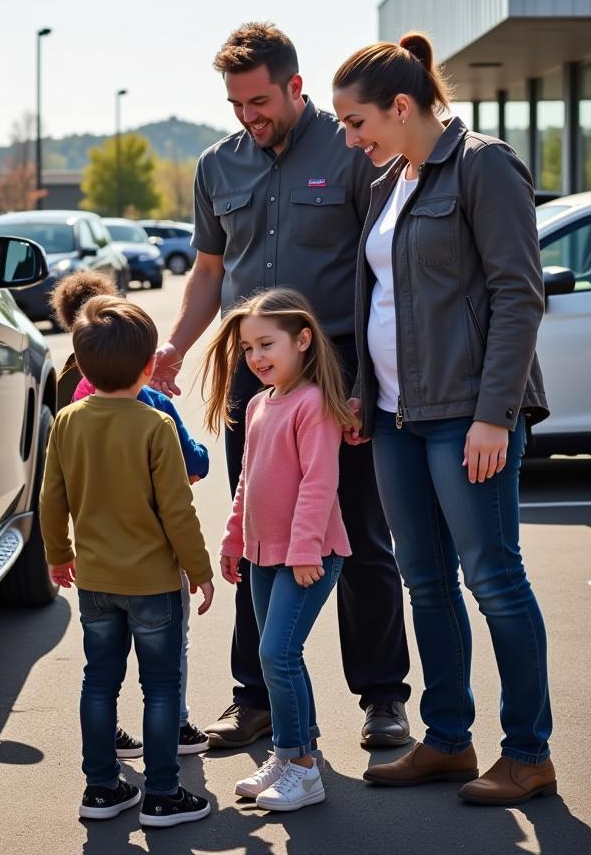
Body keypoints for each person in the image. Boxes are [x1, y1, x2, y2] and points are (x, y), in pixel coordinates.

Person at [152, 22, 411, 749]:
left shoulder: (351, 150)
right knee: (261, 533)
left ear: (296, 86)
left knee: (359, 534)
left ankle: (383, 696)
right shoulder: (217, 166)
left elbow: (378, 268)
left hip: (334, 369)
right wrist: (175, 347)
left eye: (260, 101)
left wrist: (364, 379)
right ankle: (256, 697)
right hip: (252, 375)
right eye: (237, 104)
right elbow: (208, 273)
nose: (249, 116)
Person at [331, 32, 555, 805]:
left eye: (358, 123)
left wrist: (496, 415)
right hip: (396, 415)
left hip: (468, 415)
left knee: (493, 579)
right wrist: (363, 389)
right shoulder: (392, 181)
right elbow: (381, 299)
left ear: (402, 106)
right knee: (425, 582)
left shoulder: (483, 165)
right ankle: (450, 740)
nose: (351, 139)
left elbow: (518, 295)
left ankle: (528, 753)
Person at [40, 295, 215, 828]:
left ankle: (100, 789)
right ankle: (163, 794)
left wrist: (58, 556)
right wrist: (202, 572)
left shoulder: (67, 422)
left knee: (99, 682)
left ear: (82, 366)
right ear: (147, 367)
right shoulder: (154, 426)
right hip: (154, 584)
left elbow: (51, 498)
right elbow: (178, 511)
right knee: (160, 687)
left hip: (95, 583)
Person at [202, 287, 354, 812]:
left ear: (303, 340)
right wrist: (232, 539)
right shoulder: (262, 405)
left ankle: (303, 769)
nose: (256, 358)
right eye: (247, 349)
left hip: (307, 557)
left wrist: (307, 549)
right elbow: (247, 478)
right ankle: (293, 753)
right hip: (264, 555)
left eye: (266, 344)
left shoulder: (313, 404)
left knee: (276, 654)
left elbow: (319, 482)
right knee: (281, 657)